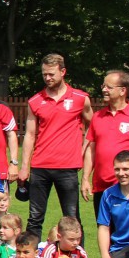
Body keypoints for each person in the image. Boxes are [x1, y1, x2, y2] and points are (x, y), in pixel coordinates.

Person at [20, 54, 94, 238]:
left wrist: (84, 147)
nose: (47, 78)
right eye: (44, 74)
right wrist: (24, 167)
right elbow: (29, 135)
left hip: (68, 167)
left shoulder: (80, 98)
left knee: (72, 218)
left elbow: (94, 127)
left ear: (63, 72)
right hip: (40, 166)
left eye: (51, 74)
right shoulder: (35, 101)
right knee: (35, 218)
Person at [81, 70, 129, 216]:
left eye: (109, 87)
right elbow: (91, 150)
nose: (104, 90)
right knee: (104, 231)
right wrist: (85, 179)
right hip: (101, 188)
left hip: (127, 187)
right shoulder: (98, 117)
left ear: (123, 90)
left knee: (127, 233)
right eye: (103, 86)